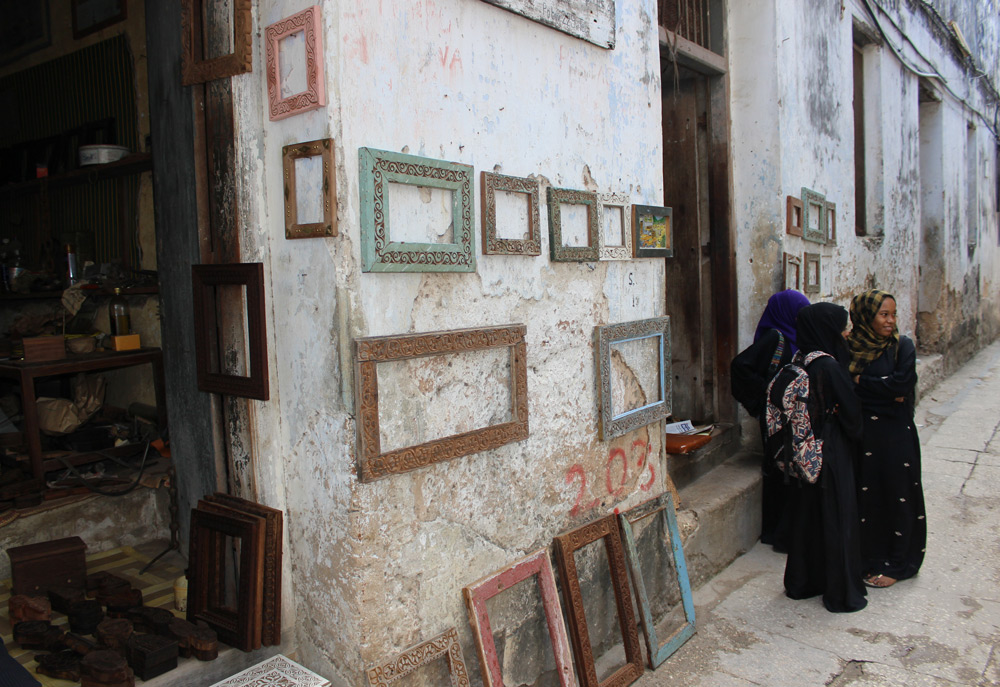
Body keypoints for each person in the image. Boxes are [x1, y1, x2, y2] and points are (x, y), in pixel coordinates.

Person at [781, 302, 867, 613]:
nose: (847, 333)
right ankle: (840, 591)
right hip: (831, 448)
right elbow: (852, 415)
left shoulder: (799, 358)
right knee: (836, 515)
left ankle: (803, 582)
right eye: (842, 327)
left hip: (805, 449)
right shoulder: (829, 366)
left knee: (809, 515)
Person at [848, 290, 926, 588]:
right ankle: (867, 560)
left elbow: (902, 385)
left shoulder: (902, 347)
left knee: (898, 494)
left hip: (896, 436)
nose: (890, 321)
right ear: (866, 316)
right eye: (883, 314)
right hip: (862, 436)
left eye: (893, 314)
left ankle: (897, 563)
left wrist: (862, 383)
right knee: (868, 497)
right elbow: (848, 389)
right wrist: (882, 390)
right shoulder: (849, 346)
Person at [730, 290, 810, 549]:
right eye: (798, 314)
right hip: (777, 418)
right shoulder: (776, 337)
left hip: (792, 418)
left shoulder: (797, 337)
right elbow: (740, 366)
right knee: (779, 470)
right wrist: (769, 393)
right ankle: (776, 532)